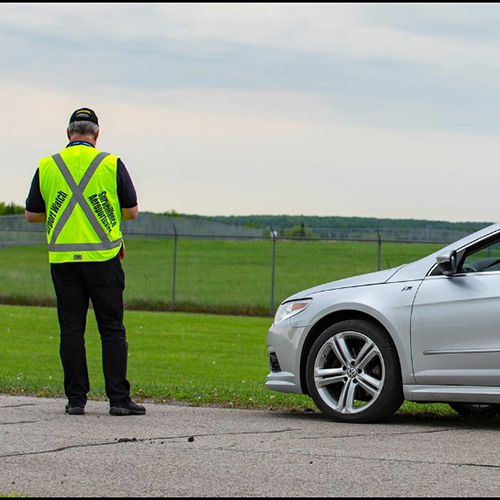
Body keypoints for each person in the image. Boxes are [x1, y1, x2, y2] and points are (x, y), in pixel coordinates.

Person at [25, 107, 145, 417]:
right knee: (112, 329)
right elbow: (131, 211)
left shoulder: (48, 165)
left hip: (64, 259)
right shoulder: (110, 163)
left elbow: (31, 215)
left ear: (69, 134)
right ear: (96, 134)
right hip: (103, 258)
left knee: (71, 330)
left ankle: (76, 400)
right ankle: (118, 399)